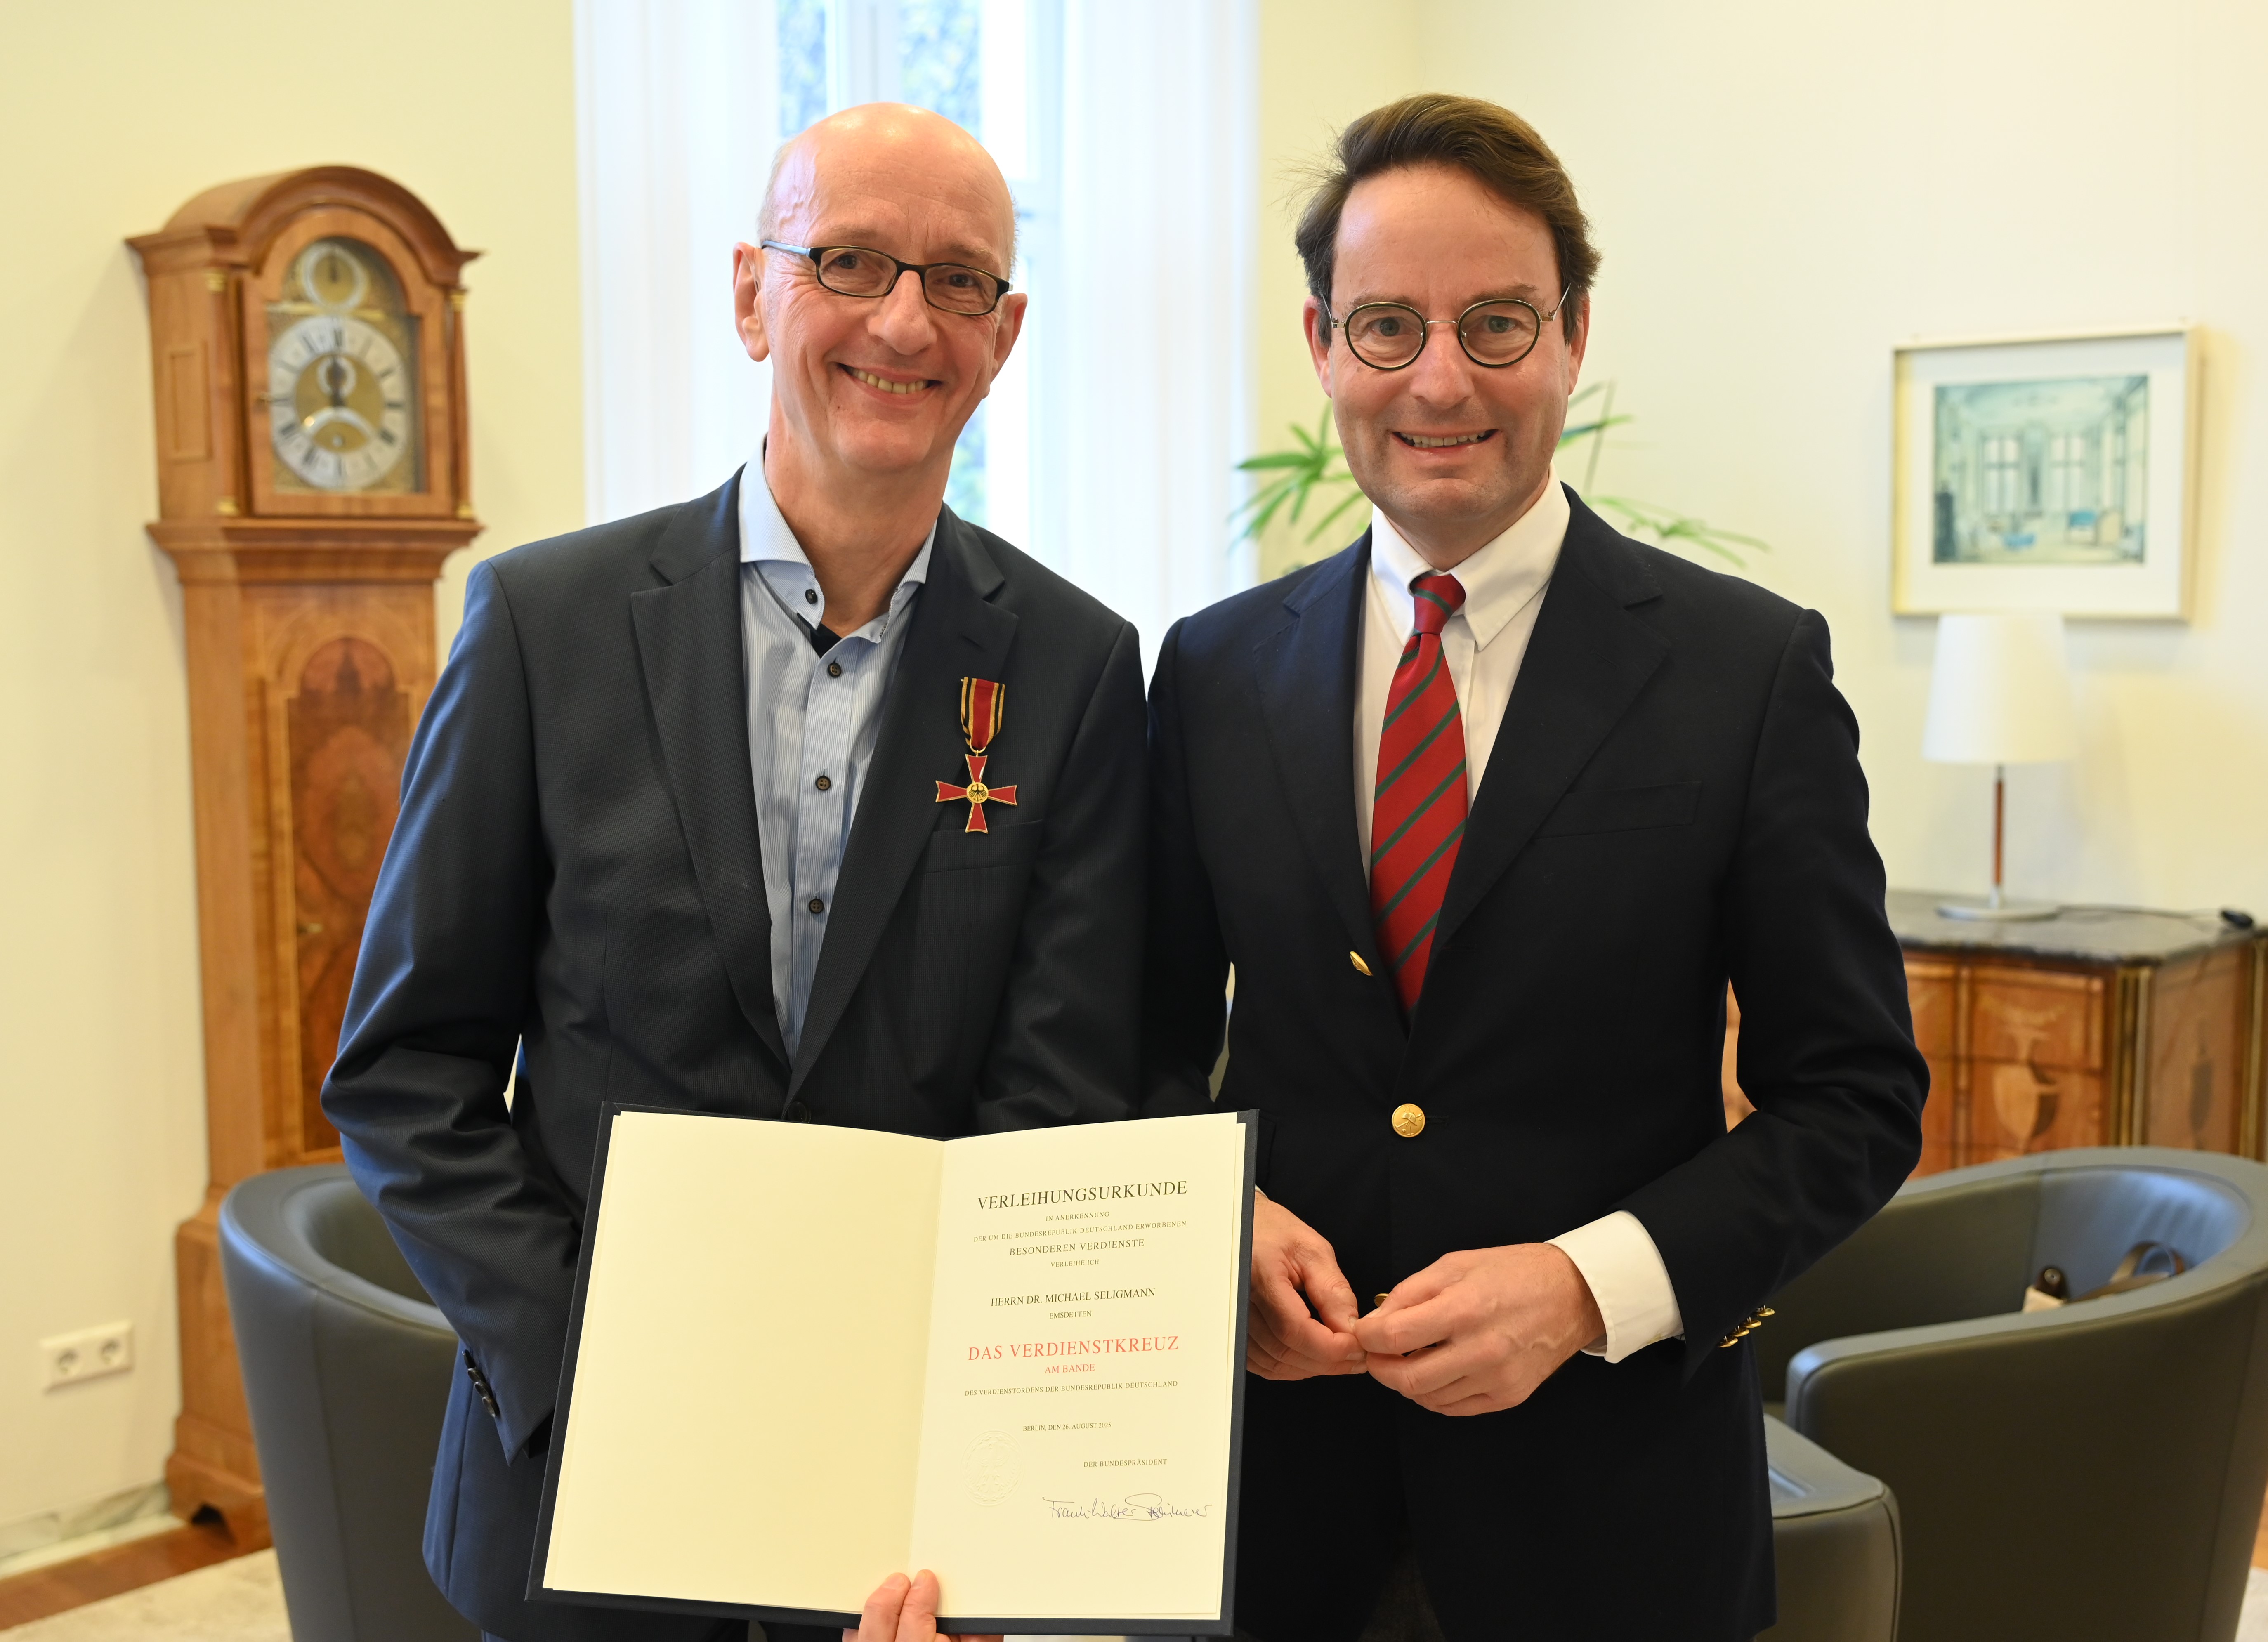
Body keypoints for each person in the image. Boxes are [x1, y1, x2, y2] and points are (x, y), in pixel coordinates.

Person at [324, 105, 1144, 1642]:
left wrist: (957, 1449)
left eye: (957, 279)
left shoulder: (1080, 670)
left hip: (912, 1528)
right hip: (579, 1484)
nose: (905, 318)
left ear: (1004, 332)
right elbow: (406, 1070)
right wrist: (597, 1368)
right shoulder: (543, 626)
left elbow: (1060, 1093)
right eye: (848, 259)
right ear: (753, 294)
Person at [1141, 94, 1926, 1641]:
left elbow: (1854, 1099)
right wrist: (1210, 1216)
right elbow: (1143, 1052)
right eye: (1386, 326)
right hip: (1270, 1518)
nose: (1440, 377)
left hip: (1611, 1527)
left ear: (1571, 335)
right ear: (1321, 346)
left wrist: (1585, 1288)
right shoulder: (1214, 670)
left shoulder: (1743, 673)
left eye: (1495, 322)